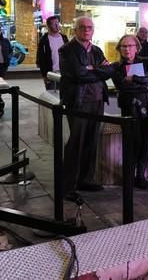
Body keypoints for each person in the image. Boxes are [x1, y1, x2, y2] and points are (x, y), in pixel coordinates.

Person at [59, 16, 113, 201]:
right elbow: (79, 74)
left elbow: (109, 71)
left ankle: (85, 179)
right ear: (75, 30)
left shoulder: (96, 50)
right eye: (82, 27)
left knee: (91, 141)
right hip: (79, 102)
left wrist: (92, 69)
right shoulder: (66, 50)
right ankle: (67, 186)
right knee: (76, 143)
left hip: (97, 100)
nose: (86, 30)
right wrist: (95, 71)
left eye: (90, 27)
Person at [111, 34, 148, 189]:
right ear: (120, 49)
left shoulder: (146, 62)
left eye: (130, 46)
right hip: (129, 108)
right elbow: (122, 86)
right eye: (124, 46)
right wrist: (142, 83)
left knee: (145, 142)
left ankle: (141, 175)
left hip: (147, 107)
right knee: (132, 142)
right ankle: (129, 175)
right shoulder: (116, 66)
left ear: (136, 47)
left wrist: (134, 79)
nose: (127, 49)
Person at [36, 15, 68, 90]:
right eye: (54, 24)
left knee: (65, 96)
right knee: (52, 96)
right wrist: (44, 75)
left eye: (57, 23)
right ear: (49, 26)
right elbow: (41, 58)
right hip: (51, 73)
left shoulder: (64, 38)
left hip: (64, 73)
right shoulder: (44, 40)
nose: (57, 25)